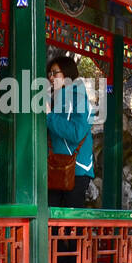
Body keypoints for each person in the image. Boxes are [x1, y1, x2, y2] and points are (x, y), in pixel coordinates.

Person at [46, 54, 93, 209]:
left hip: (77, 170)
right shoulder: (56, 99)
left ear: (67, 73)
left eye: (55, 73)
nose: (51, 77)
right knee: (51, 221)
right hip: (55, 168)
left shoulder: (78, 97)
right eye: (49, 74)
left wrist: (49, 116)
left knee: (70, 227)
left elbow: (76, 133)